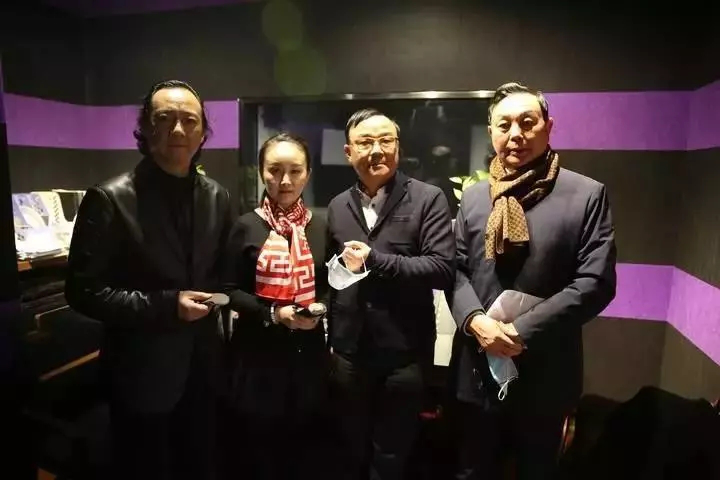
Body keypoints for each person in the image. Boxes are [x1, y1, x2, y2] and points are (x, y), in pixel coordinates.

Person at [65, 80, 232, 480]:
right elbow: (83, 291)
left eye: (189, 120)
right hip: (140, 374)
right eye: (165, 118)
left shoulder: (218, 196)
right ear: (145, 127)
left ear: (203, 132)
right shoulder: (109, 197)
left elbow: (221, 276)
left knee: (200, 465)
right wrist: (167, 305)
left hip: (203, 369)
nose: (178, 129)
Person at [449, 82, 617, 480]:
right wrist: (475, 321)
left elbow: (595, 282)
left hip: (547, 373)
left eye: (527, 122)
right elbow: (454, 269)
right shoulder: (474, 197)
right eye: (504, 124)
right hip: (477, 367)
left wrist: (519, 331)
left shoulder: (586, 195)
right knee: (471, 470)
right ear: (491, 131)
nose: (515, 134)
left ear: (549, 126)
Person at [325, 108, 455, 480]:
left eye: (386, 140)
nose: (377, 150)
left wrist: (376, 260)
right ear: (349, 152)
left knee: (392, 455)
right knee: (349, 449)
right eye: (366, 142)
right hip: (349, 353)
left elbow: (442, 269)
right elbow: (333, 274)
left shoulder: (428, 198)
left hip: (405, 355)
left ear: (398, 148)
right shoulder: (337, 205)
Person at [221, 133, 330, 480]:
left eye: (295, 171)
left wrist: (320, 309)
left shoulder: (321, 226)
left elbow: (331, 286)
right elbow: (227, 291)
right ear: (261, 172)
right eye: (275, 170)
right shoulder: (245, 226)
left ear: (308, 174)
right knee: (258, 451)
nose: (285, 180)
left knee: (302, 449)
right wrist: (272, 313)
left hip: (307, 355)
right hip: (256, 355)